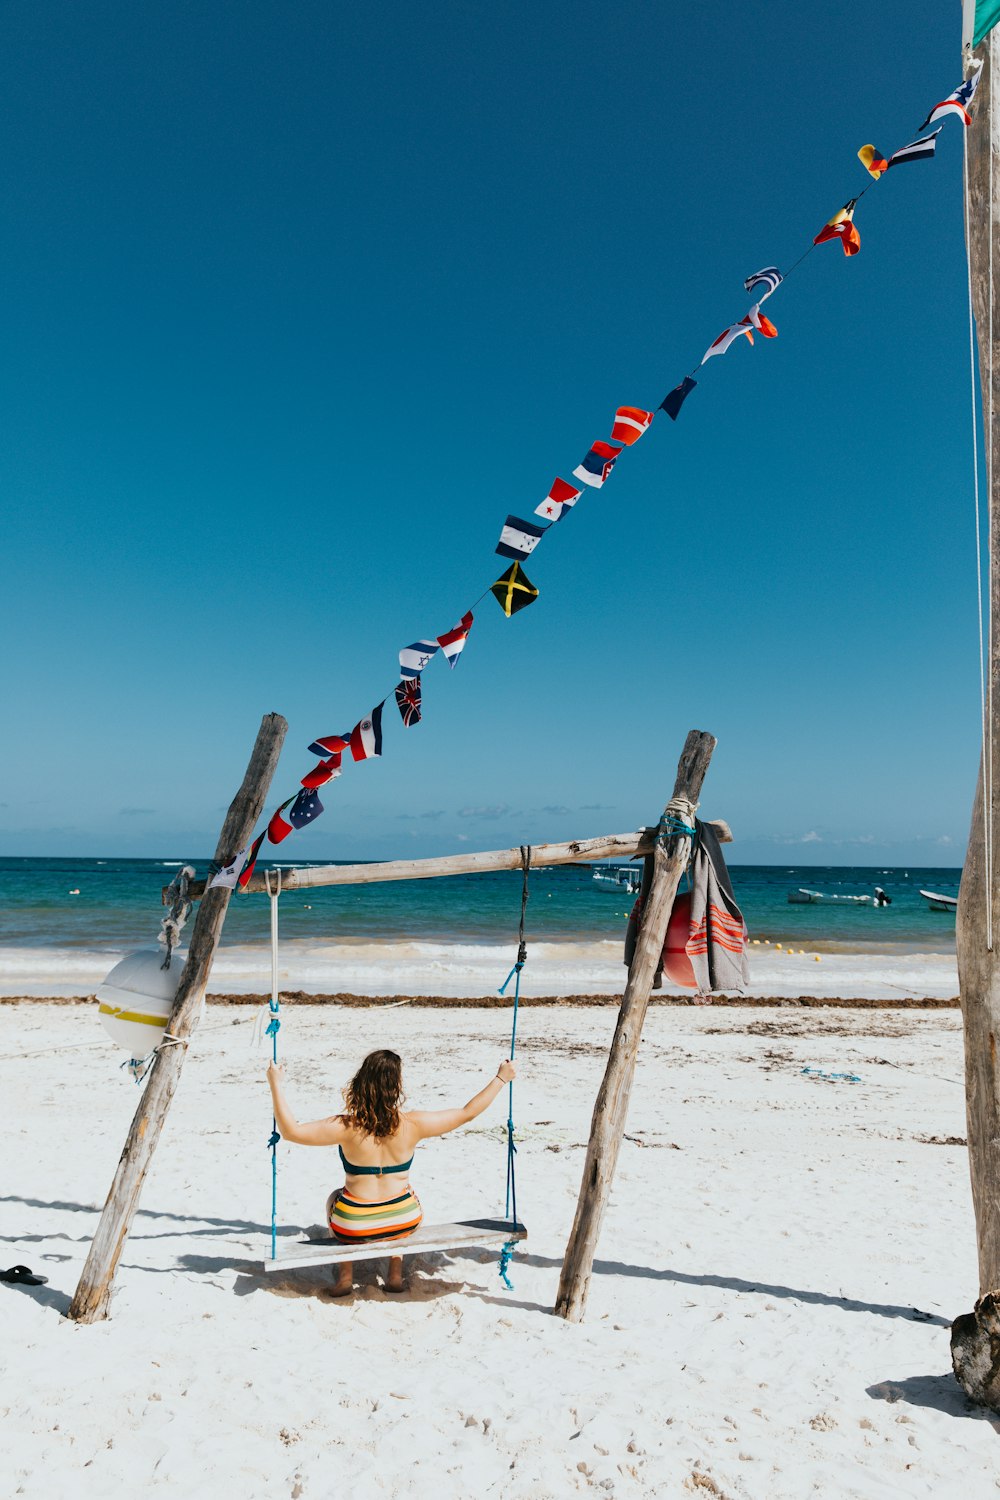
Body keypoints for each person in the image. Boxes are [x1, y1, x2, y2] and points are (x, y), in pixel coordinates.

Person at [266, 1048, 517, 1296]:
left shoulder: (345, 1126)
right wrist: (501, 1078)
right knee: (403, 1193)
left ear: (361, 1082)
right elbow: (467, 1113)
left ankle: (345, 1278)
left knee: (334, 1197)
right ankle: (394, 1275)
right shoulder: (412, 1124)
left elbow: (292, 1131)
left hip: (354, 1225)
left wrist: (275, 1083)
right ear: (396, 1087)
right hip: (402, 1220)